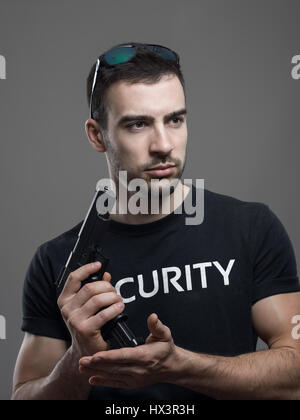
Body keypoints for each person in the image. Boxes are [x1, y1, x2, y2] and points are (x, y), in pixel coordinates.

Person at [12, 42, 300, 400]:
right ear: (97, 135)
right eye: (138, 124)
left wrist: (183, 367)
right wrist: (79, 357)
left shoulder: (250, 228)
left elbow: (295, 374)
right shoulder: (58, 264)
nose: (164, 144)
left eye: (175, 120)